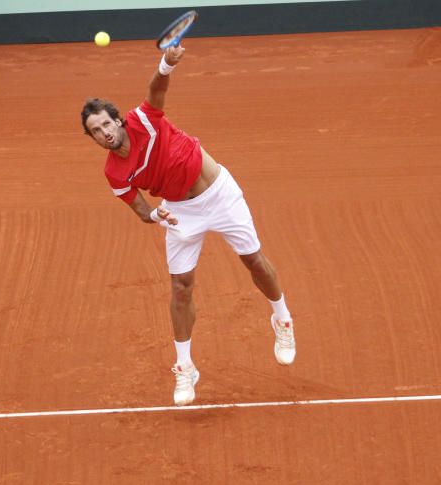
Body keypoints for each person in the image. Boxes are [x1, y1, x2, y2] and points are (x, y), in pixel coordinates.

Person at [81, 42, 296, 407]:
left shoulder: (143, 119)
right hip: (181, 211)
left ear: (117, 120)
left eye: (105, 123)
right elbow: (139, 208)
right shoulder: (113, 172)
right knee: (181, 287)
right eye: (95, 130)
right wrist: (155, 214)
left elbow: (156, 91)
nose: (104, 132)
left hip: (220, 194)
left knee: (253, 260)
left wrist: (166, 63)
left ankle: (283, 320)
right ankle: (185, 367)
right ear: (93, 139)